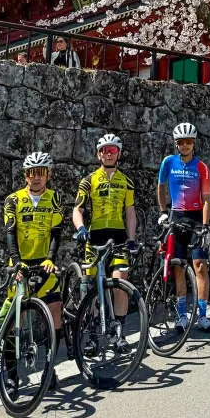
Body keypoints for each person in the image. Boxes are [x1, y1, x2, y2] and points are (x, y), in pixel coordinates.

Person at [3, 151, 63, 385]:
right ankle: (10, 374)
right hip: (21, 263)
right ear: (25, 176)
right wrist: (16, 262)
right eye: (31, 173)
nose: (36, 177)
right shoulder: (13, 200)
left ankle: (50, 367)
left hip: (44, 262)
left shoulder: (54, 198)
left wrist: (51, 258)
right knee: (17, 318)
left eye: (40, 172)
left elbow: (56, 233)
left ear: (48, 174)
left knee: (55, 309)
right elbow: (10, 233)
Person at [72, 132, 137, 351]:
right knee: (91, 288)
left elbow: (130, 213)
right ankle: (91, 334)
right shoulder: (88, 181)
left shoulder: (126, 181)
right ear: (98, 155)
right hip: (95, 238)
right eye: (104, 151)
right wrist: (80, 228)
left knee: (121, 283)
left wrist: (131, 239)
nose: (108, 154)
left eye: (112, 150)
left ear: (118, 154)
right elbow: (77, 209)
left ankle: (118, 333)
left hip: (118, 239)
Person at [157, 122, 210, 332]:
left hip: (196, 217)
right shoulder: (168, 162)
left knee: (200, 266)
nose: (185, 145)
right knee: (178, 267)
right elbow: (161, 186)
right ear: (176, 143)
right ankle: (181, 315)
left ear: (194, 143)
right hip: (176, 216)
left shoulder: (202, 167)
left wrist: (206, 226)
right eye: (181, 142)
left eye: (188, 142)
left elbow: (207, 199)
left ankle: (202, 315)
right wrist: (163, 211)